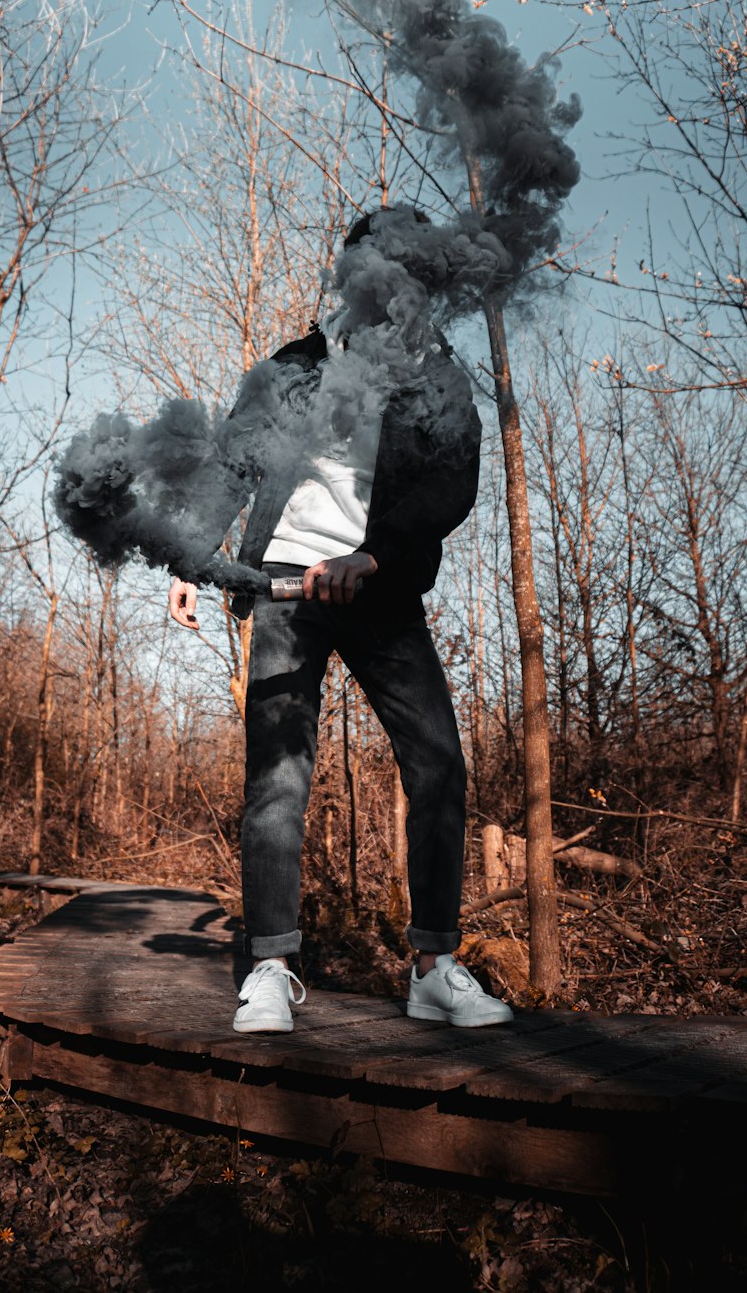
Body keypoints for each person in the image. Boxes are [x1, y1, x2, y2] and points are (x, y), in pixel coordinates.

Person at [169, 208, 512, 1033]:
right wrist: (191, 554)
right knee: (278, 775)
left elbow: (452, 484)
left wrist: (378, 555)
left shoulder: (436, 376)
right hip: (286, 578)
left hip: (377, 583)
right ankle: (271, 969)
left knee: (438, 762)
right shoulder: (293, 367)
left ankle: (433, 968)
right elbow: (233, 460)